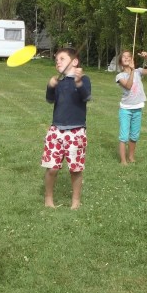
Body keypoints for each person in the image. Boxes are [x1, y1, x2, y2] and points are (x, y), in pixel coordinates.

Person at [41, 47, 92, 209]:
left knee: (75, 169)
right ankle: (48, 198)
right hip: (56, 130)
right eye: (56, 60)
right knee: (52, 168)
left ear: (74, 61)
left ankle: (75, 201)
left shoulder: (84, 79)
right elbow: (50, 100)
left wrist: (78, 83)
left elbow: (86, 96)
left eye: (62, 59)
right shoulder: (59, 83)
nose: (58, 62)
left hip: (76, 131)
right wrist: (50, 86)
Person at [115, 50, 147, 164]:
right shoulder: (120, 76)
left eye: (129, 56)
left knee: (134, 136)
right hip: (125, 109)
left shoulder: (138, 71)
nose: (126, 58)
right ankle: (123, 160)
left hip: (137, 108)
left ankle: (131, 157)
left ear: (132, 59)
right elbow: (128, 86)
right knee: (124, 136)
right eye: (124, 57)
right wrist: (132, 70)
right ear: (120, 62)